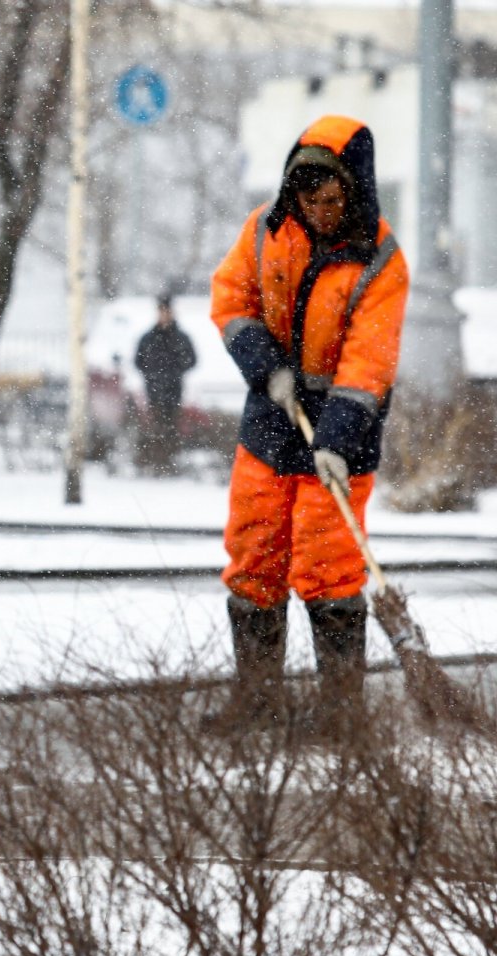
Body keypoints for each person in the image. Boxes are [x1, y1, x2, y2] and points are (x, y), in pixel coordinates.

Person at [208, 115, 409, 735]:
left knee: (329, 565)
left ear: (354, 191)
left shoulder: (381, 261)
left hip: (342, 432)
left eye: (329, 199)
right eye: (308, 198)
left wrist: (338, 440)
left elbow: (367, 363)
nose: (318, 211)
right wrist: (266, 367)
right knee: (254, 554)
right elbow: (231, 300)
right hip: (270, 421)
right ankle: (259, 699)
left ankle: (341, 712)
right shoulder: (266, 231)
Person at [133, 294, 197, 475]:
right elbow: (138, 361)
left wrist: (174, 372)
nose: (164, 315)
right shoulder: (148, 338)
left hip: (174, 391)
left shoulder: (181, 338)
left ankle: (169, 462)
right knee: (155, 426)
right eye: (161, 311)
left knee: (172, 426)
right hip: (153, 391)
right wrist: (153, 374)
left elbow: (192, 360)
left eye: (167, 311)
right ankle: (155, 461)